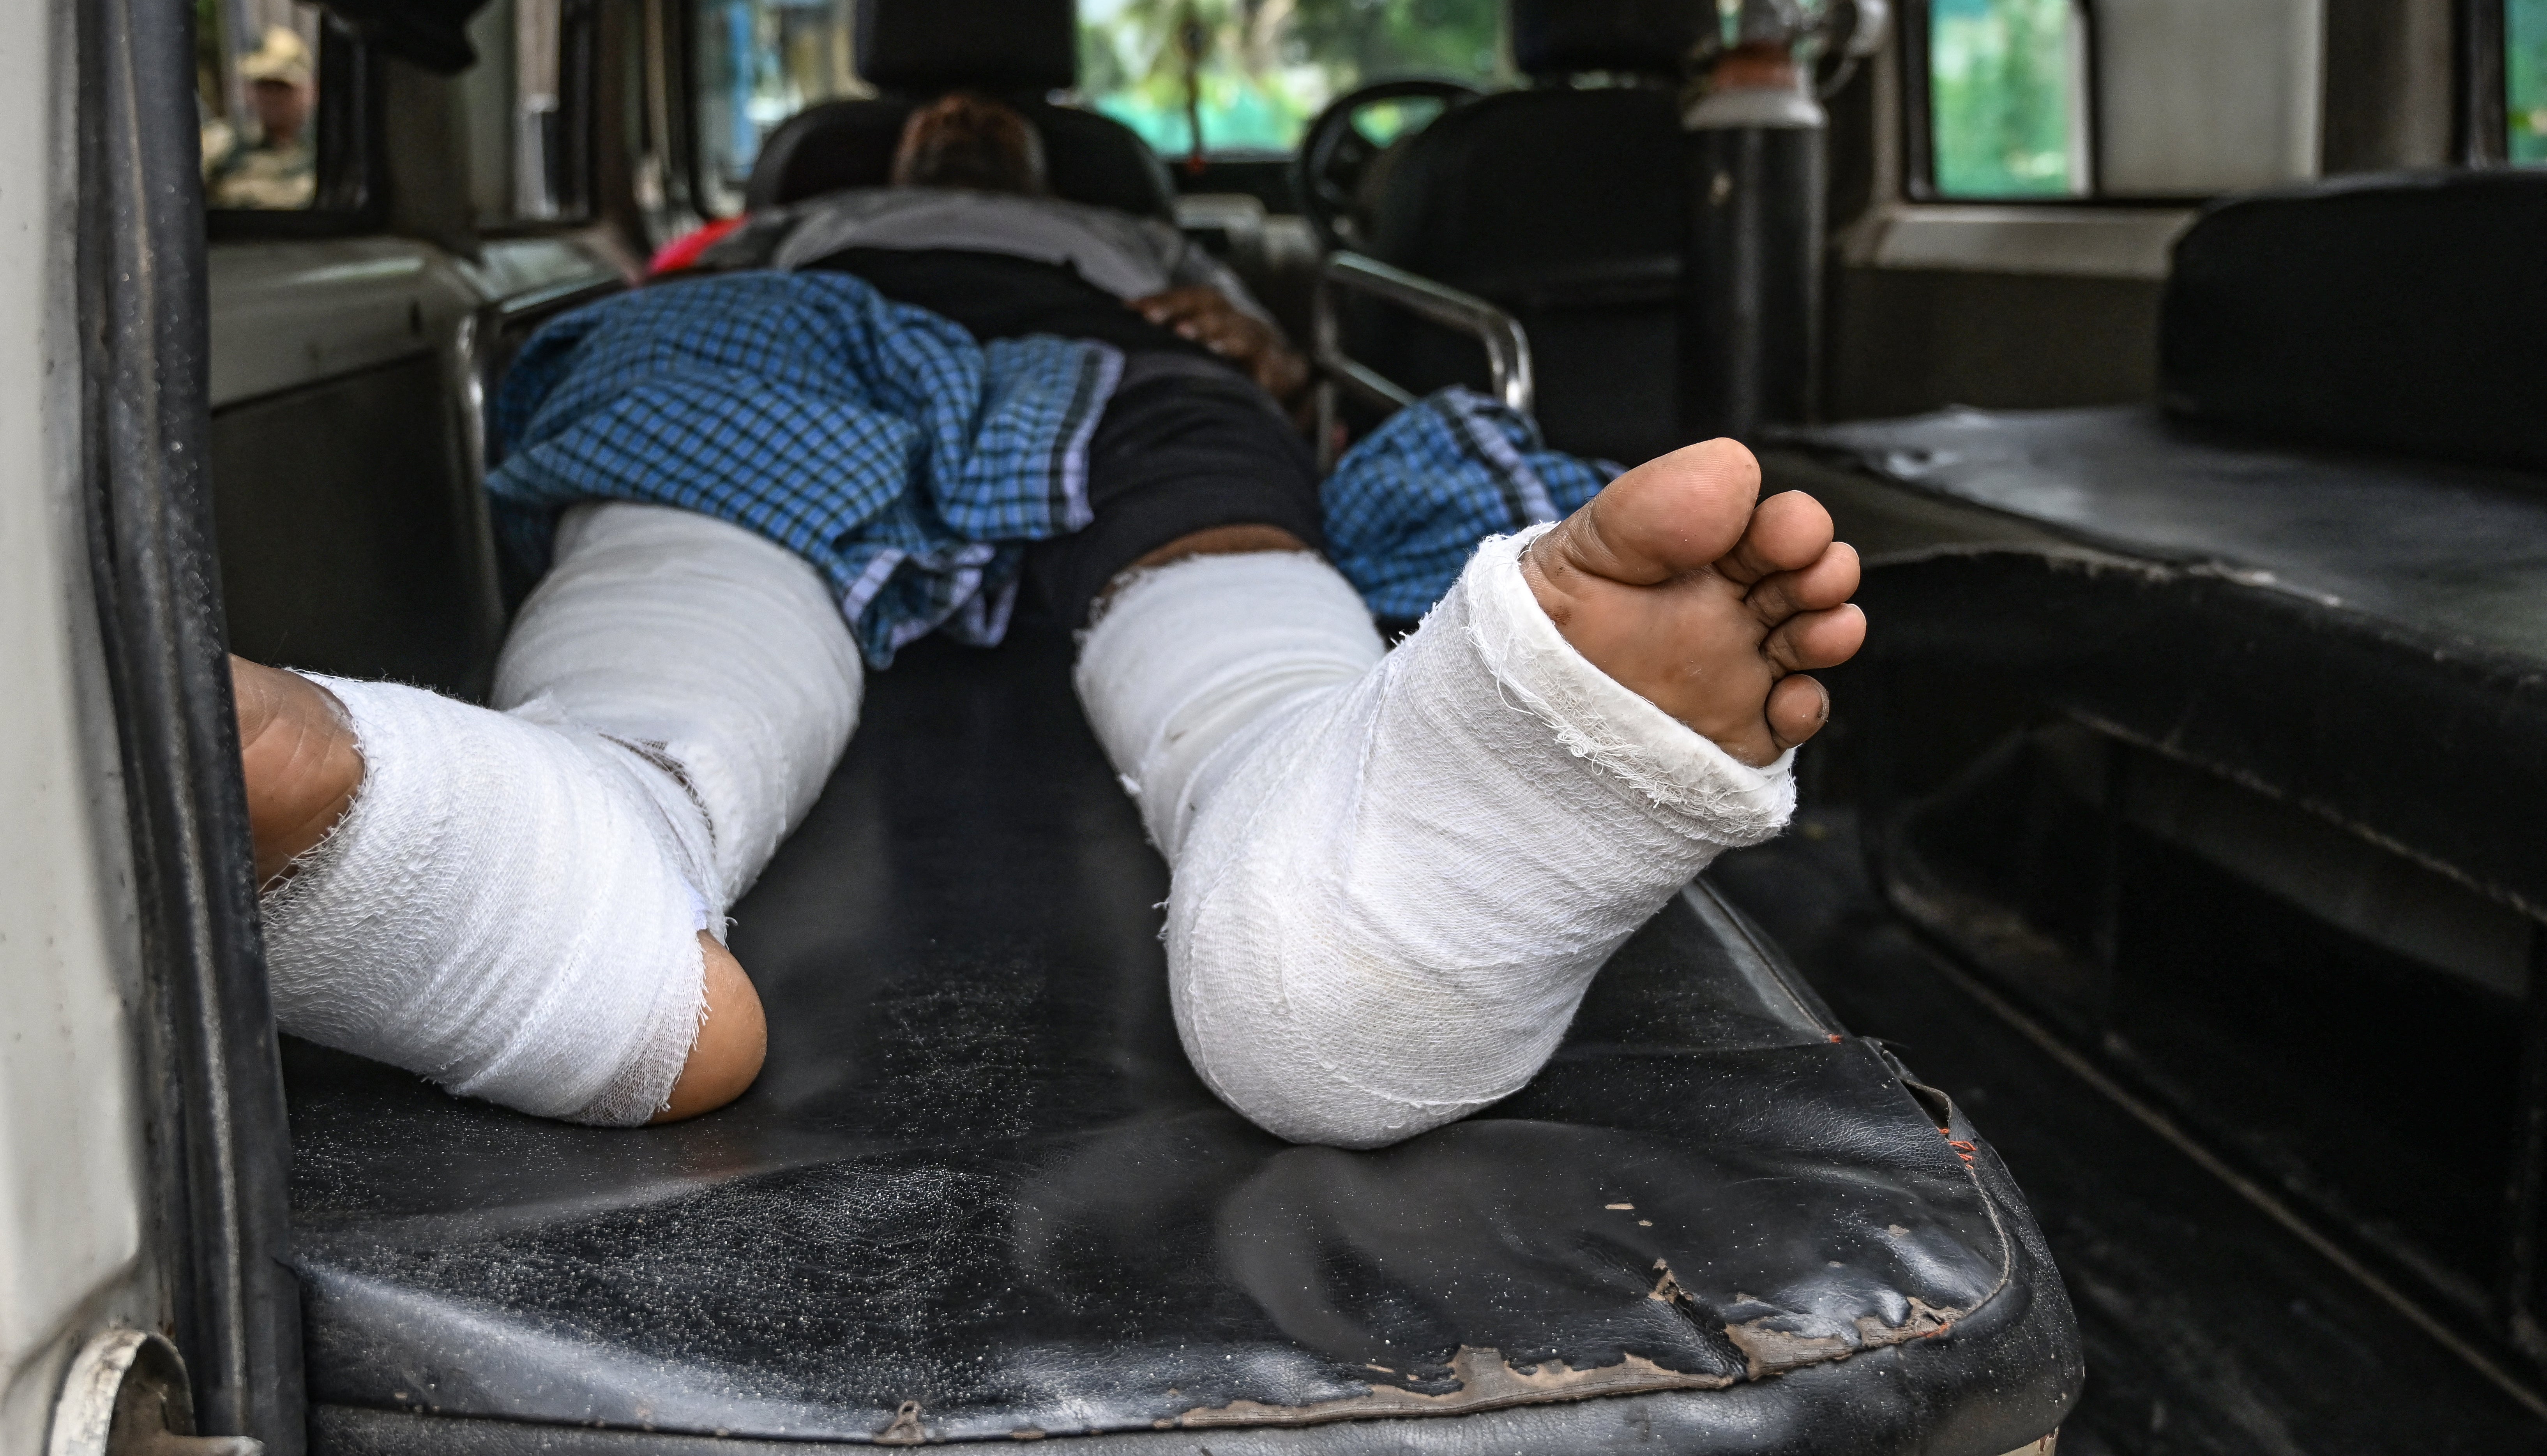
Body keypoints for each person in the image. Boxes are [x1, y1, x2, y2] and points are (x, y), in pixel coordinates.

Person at [227, 95, 1867, 1147]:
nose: (962, 128)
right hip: (791, 345)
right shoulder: (773, 233)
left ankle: (1339, 881)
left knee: (1212, 475)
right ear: (881, 157)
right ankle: (583, 834)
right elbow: (642, 305)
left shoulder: (1141, 243)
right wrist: (720, 275)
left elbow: (1275, 385)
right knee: (683, 435)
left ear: (1041, 161)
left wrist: (1254, 351)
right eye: (938, 124)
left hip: (1108, 365)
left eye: (990, 130)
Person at [204, 26, 316, 211]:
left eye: (282, 87)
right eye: (263, 86)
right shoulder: (222, 146)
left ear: (310, 91)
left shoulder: (328, 151)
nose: (271, 97)